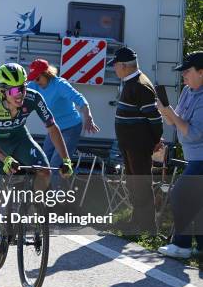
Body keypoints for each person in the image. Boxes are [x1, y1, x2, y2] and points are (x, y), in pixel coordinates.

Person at [0, 63, 72, 266]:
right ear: (3, 91)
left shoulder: (32, 98)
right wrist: (5, 159)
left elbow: (52, 127)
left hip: (20, 139)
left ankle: (33, 207)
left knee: (45, 171)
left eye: (22, 87)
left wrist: (65, 159)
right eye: (14, 90)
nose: (20, 94)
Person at [109, 47, 163, 232]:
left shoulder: (140, 85)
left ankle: (148, 228)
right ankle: (136, 221)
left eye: (115, 65)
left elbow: (154, 118)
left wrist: (156, 139)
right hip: (129, 144)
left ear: (124, 66)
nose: (114, 69)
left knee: (141, 184)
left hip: (138, 145)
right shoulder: (130, 82)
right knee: (133, 184)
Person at [157, 51, 203, 259]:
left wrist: (172, 114)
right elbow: (174, 123)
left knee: (180, 195)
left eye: (187, 71)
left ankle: (182, 245)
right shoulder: (188, 91)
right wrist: (165, 111)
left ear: (201, 72)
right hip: (194, 157)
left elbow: (193, 134)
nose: (183, 75)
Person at [27, 58, 100, 168]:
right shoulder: (34, 85)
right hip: (54, 129)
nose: (36, 82)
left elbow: (80, 99)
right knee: (43, 162)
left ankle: (58, 185)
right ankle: (48, 184)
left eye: (37, 78)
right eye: (33, 79)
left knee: (56, 165)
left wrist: (88, 117)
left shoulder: (60, 84)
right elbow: (20, 93)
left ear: (46, 73)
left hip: (71, 128)